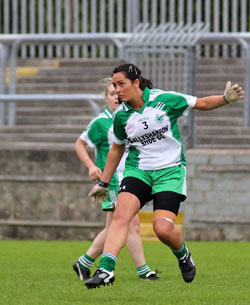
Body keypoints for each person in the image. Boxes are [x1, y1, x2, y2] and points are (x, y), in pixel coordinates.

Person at [85, 63, 244, 289]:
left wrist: (225, 98)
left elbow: (201, 103)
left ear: (136, 83)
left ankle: (183, 255)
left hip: (169, 171)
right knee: (121, 216)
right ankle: (105, 270)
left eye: (121, 84)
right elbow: (117, 148)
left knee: (163, 229)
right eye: (114, 85)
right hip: (138, 171)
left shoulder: (165, 100)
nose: (117, 90)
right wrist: (104, 182)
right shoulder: (120, 116)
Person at [73, 78, 159, 282]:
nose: (116, 97)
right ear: (106, 98)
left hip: (129, 176)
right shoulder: (101, 122)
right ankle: (143, 271)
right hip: (113, 181)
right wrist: (92, 167)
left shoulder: (129, 117)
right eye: (111, 94)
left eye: (117, 93)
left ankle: (84, 263)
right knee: (130, 223)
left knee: (114, 227)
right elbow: (79, 144)